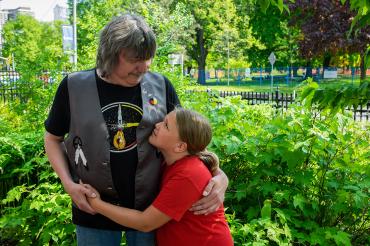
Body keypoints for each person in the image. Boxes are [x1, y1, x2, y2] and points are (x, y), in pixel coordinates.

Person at [44, 13, 228, 246]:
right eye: (136, 59)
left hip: (150, 208)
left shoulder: (161, 85)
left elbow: (187, 141)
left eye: (148, 58)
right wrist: (69, 185)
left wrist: (219, 177)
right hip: (91, 208)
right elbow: (52, 139)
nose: (144, 67)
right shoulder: (73, 86)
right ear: (111, 53)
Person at [83, 108, 233, 246]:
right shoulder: (170, 161)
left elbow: (145, 223)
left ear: (180, 146)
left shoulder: (189, 174)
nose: (157, 125)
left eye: (166, 125)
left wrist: (96, 204)